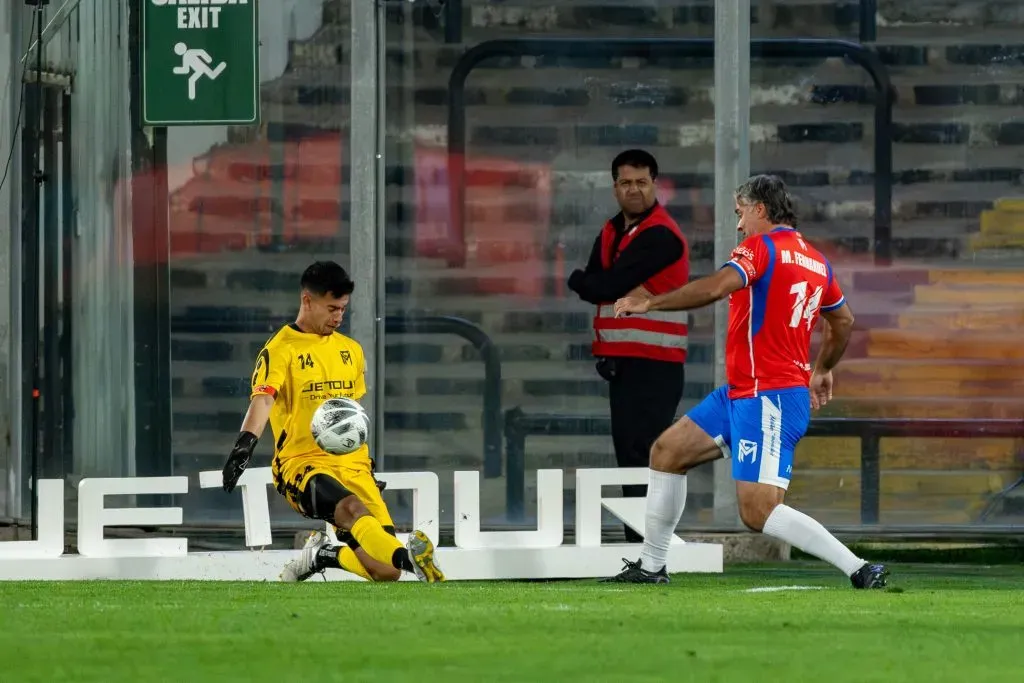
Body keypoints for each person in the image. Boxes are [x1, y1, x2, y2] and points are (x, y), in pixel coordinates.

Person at [604, 174, 888, 589]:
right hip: (743, 392)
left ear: (760, 210)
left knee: (757, 512)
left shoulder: (762, 247)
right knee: (667, 452)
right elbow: (842, 319)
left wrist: (651, 301)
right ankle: (651, 567)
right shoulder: (815, 260)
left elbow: (719, 286)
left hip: (770, 396)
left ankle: (860, 568)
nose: (739, 226)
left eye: (740, 214)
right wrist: (823, 368)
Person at [220, 261, 445, 583]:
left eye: (342, 309)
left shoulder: (350, 351)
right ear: (307, 300)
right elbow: (264, 398)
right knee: (352, 509)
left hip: (353, 466)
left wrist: (362, 457)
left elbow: (350, 412)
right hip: (303, 464)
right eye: (331, 309)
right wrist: (243, 447)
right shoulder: (281, 349)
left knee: (384, 572)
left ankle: (323, 556)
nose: (338, 317)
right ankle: (413, 561)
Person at [567, 149, 690, 543]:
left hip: (655, 364)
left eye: (641, 182)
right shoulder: (612, 230)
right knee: (632, 457)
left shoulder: (661, 235)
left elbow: (601, 286)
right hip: (626, 361)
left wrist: (579, 279)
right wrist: (592, 282)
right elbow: (599, 284)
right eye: (625, 182)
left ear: (655, 184)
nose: (633, 189)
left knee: (646, 457)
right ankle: (641, 546)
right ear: (614, 186)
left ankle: (649, 549)